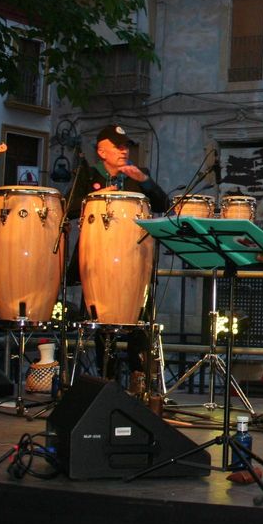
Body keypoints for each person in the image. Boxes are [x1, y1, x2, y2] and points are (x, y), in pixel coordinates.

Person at [66, 123, 171, 382]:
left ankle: (141, 381)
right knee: (103, 325)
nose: (124, 151)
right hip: (99, 261)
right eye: (118, 146)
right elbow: (68, 208)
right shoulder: (88, 175)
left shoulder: (138, 175)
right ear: (102, 151)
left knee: (139, 326)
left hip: (135, 260)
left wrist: (145, 182)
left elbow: (163, 204)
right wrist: (96, 196)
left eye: (126, 146)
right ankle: (106, 382)